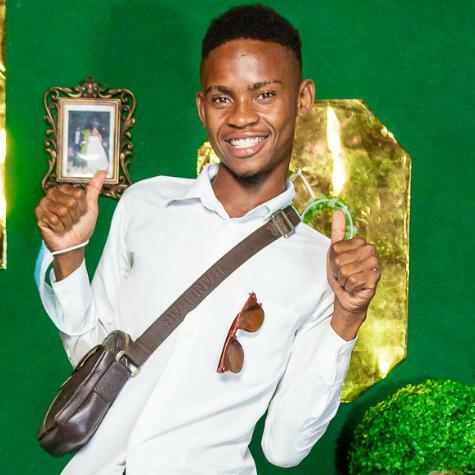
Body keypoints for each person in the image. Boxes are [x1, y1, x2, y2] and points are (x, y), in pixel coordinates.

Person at [34, 4, 381, 474]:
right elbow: (93, 361)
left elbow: (284, 448)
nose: (241, 117)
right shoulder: (145, 204)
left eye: (264, 94)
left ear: (302, 99)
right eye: (222, 99)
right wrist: (69, 257)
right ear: (202, 107)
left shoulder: (322, 266)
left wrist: (348, 317)